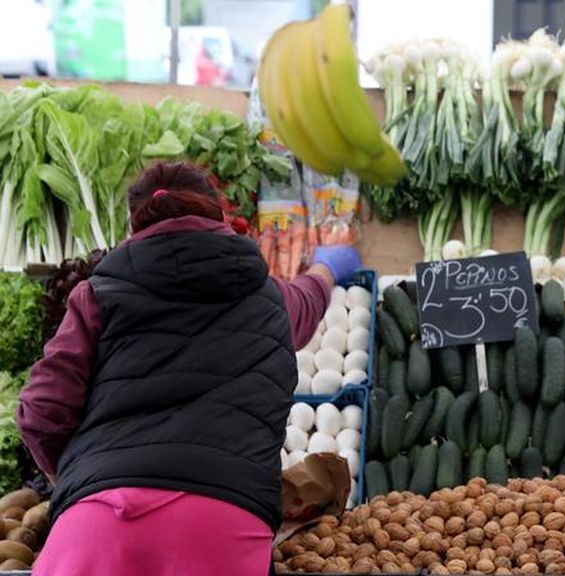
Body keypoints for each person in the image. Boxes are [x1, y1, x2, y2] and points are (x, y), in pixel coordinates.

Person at [16, 161, 360, 575]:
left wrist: (77, 477)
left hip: (99, 520)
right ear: (217, 214)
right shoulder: (266, 296)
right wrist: (326, 269)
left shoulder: (97, 294)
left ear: (134, 226)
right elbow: (305, 304)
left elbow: (41, 410)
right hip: (224, 518)